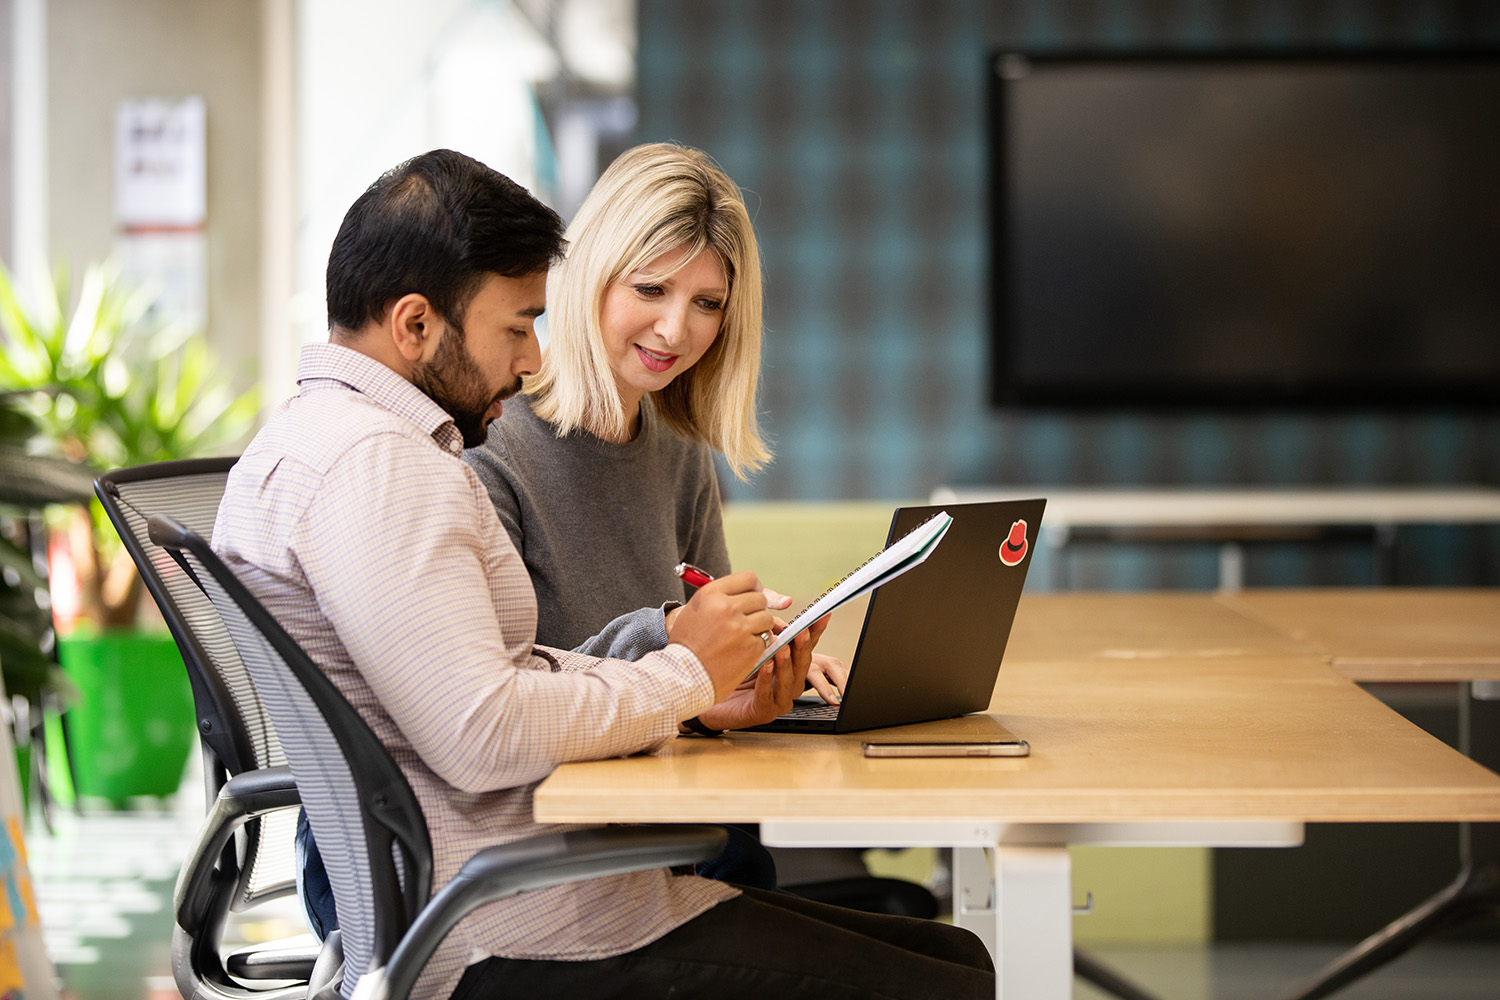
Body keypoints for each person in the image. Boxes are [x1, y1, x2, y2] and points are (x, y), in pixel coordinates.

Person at [212, 149, 994, 1000]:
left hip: (513, 882)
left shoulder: (334, 442)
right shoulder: (380, 465)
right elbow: (483, 731)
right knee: (950, 981)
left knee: (955, 964)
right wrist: (683, 670)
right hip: (501, 917)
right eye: (517, 327)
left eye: (705, 303)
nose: (527, 358)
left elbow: (499, 682)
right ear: (414, 326)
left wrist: (700, 683)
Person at [464, 142, 847, 699]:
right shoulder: (489, 447)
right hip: (558, 782)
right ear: (593, 275)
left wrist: (746, 677)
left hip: (659, 769)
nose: (674, 330)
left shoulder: (680, 451)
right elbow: (503, 688)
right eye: (650, 289)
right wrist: (666, 633)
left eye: (707, 303)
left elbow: (692, 676)